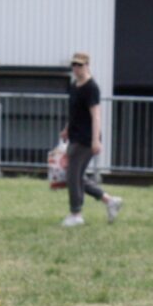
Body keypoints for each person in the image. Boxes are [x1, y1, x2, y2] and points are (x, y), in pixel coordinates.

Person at [60, 52, 123, 227]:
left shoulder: (91, 87)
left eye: (80, 65)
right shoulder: (74, 85)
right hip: (75, 136)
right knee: (76, 175)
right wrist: (66, 129)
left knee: (73, 176)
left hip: (86, 139)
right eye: (74, 64)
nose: (76, 68)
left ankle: (76, 214)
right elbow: (74, 113)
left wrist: (96, 140)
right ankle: (109, 200)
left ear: (87, 65)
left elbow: (96, 115)